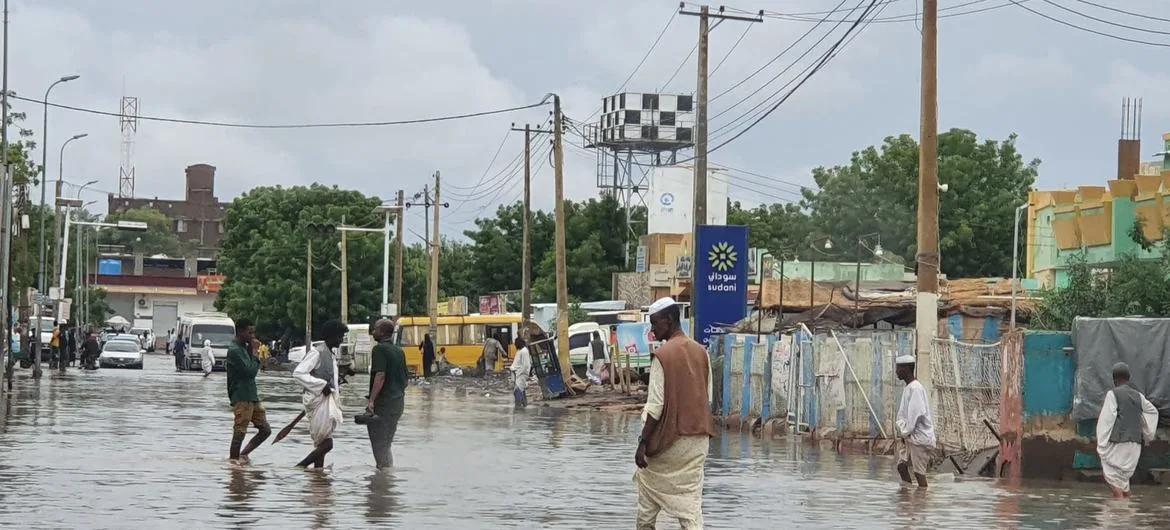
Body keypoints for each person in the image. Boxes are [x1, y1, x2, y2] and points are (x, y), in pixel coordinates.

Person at [634, 297, 715, 530]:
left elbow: (656, 407)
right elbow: (707, 398)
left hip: (671, 441)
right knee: (690, 506)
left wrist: (642, 443)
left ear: (669, 321)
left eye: (655, 324)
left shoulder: (662, 357)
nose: (652, 330)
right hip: (699, 440)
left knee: (647, 496)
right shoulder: (702, 352)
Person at [1097, 361, 1158, 498]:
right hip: (1135, 446)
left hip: (1118, 444)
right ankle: (1129, 510)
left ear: (1114, 379)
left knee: (1114, 482)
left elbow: (1107, 420)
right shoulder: (1138, 396)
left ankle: (1119, 511)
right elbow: (1153, 412)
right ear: (1129, 378)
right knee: (1124, 481)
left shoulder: (1112, 394)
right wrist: (1147, 433)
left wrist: (1101, 444)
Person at [293, 319, 346, 469]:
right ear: (330, 336)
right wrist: (321, 385)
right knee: (327, 444)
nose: (341, 340)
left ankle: (318, 476)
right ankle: (301, 467)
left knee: (322, 443)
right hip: (317, 401)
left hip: (327, 401)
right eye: (339, 336)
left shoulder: (330, 355)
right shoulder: (316, 353)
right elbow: (298, 373)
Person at [226, 318, 271, 462]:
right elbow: (250, 371)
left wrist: (252, 351)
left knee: (265, 430)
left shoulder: (244, 348)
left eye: (253, 332)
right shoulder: (234, 350)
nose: (252, 336)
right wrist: (256, 352)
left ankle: (243, 455)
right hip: (241, 396)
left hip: (252, 395)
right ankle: (233, 462)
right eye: (249, 332)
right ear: (240, 332)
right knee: (240, 431)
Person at [366, 318, 409, 469]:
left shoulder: (379, 349)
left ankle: (382, 478)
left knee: (379, 443)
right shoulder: (399, 351)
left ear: (382, 332)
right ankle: (386, 478)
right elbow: (405, 381)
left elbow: (380, 375)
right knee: (386, 443)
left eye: (375, 329)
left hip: (383, 404)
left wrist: (371, 401)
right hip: (397, 404)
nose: (373, 332)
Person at [895, 354, 936, 488]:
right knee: (902, 466)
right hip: (910, 437)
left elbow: (915, 416)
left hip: (918, 438)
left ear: (906, 369)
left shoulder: (916, 388)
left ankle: (922, 499)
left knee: (919, 473)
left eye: (898, 368)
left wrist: (905, 433)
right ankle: (907, 497)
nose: (896, 372)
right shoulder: (909, 388)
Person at [509, 337, 532, 407]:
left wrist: (519, 373)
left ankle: (518, 406)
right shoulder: (520, 351)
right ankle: (524, 405)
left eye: (515, 344)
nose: (515, 345)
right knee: (521, 389)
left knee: (517, 391)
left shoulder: (524, 351)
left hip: (521, 374)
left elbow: (525, 365)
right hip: (517, 373)